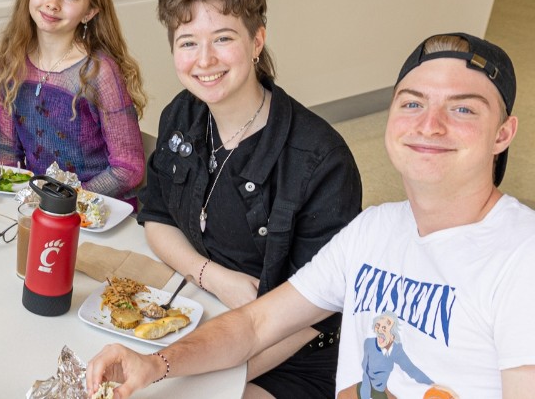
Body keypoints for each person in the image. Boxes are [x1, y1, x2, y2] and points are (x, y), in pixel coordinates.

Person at [87, 32, 533, 399]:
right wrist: (155, 364)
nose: (429, 124)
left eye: (462, 109)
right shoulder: (374, 229)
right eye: (412, 103)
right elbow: (255, 324)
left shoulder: (521, 258)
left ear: (503, 134)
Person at [131, 0, 362, 398]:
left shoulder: (320, 160)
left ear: (256, 41)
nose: (204, 60)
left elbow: (316, 311)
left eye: (223, 38)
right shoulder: (181, 114)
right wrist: (213, 277)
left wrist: (199, 377)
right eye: (188, 43)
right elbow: (157, 216)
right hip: (203, 315)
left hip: (296, 351)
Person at [0, 0, 146, 202]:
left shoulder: (98, 72)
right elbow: (7, 152)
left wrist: (65, 199)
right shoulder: (12, 61)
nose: (53, 3)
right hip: (38, 205)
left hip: (96, 211)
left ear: (89, 12)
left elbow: (128, 169)